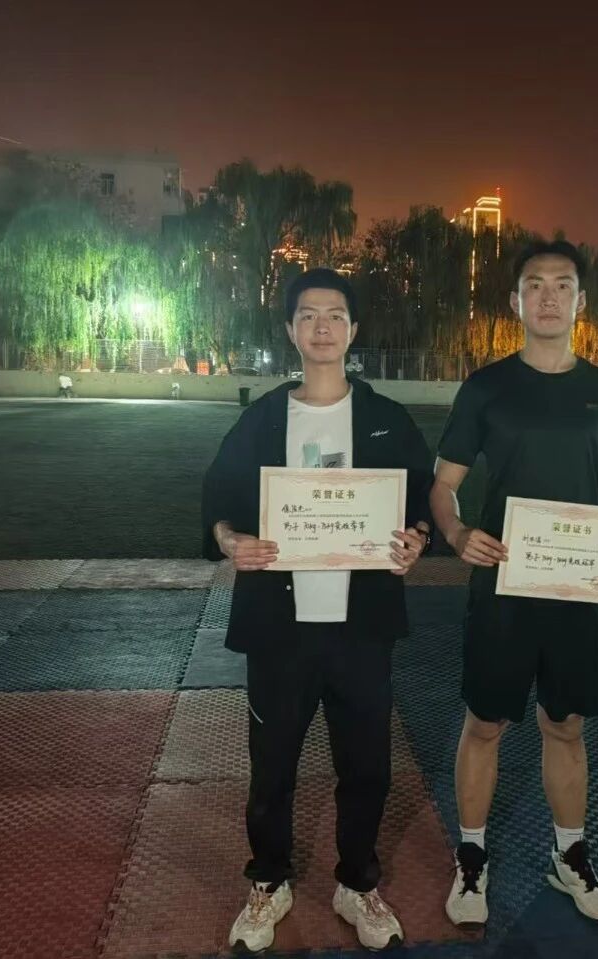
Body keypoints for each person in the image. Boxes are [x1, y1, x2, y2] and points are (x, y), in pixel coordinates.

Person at [430, 240, 598, 928]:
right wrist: (457, 533)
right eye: (534, 284)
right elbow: (443, 485)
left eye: (562, 284)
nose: (548, 296)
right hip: (503, 583)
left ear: (579, 302)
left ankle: (569, 856)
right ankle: (471, 858)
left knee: (564, 724)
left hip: (579, 588)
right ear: (515, 301)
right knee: (485, 722)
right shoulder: (486, 387)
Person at [202, 268, 434, 953]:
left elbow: (422, 502)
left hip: (362, 630)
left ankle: (356, 882)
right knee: (271, 765)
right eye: (308, 315)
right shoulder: (262, 419)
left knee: (368, 768)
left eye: (335, 314)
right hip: (279, 630)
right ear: (291, 330)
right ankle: (268, 879)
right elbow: (218, 498)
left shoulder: (388, 420)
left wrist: (418, 539)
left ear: (353, 330)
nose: (322, 326)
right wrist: (229, 541)